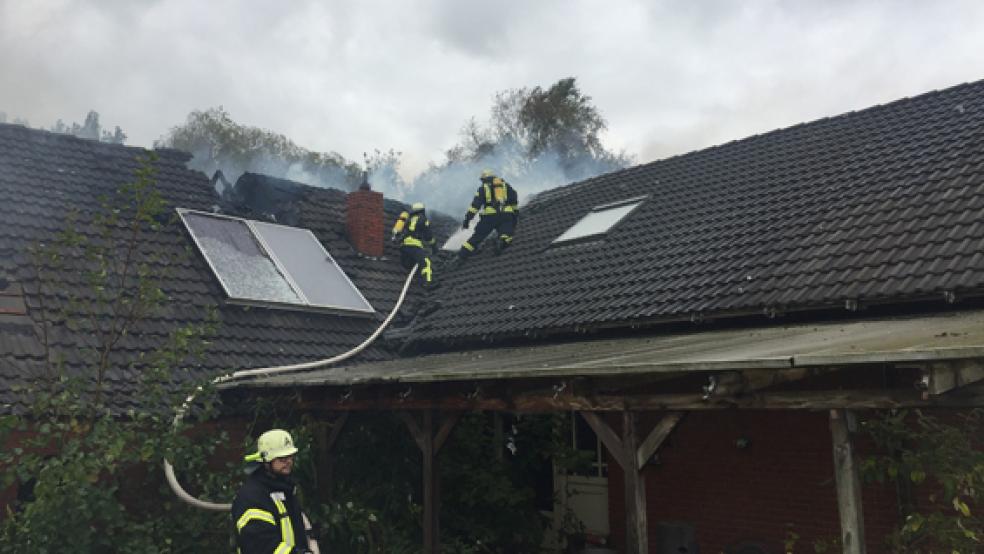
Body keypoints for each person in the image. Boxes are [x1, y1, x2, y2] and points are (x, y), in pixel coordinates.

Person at [232, 429, 315, 554]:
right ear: (266, 461)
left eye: (290, 457)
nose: (288, 462)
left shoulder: (285, 489)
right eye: (282, 458)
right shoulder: (253, 497)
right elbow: (261, 546)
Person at [458, 169, 519, 259]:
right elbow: (514, 200)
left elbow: (475, 206)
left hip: (489, 217)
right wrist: (515, 214)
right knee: (506, 233)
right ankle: (502, 241)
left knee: (477, 237)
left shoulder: (483, 188)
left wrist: (467, 220)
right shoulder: (506, 185)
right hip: (506, 214)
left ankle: (461, 255)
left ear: (484, 179)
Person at [391, 201, 439, 288]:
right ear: (422, 211)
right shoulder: (423, 220)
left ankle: (417, 278)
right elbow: (429, 237)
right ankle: (428, 282)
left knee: (411, 264)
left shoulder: (408, 219)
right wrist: (434, 247)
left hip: (403, 246)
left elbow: (399, 230)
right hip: (414, 245)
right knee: (426, 262)